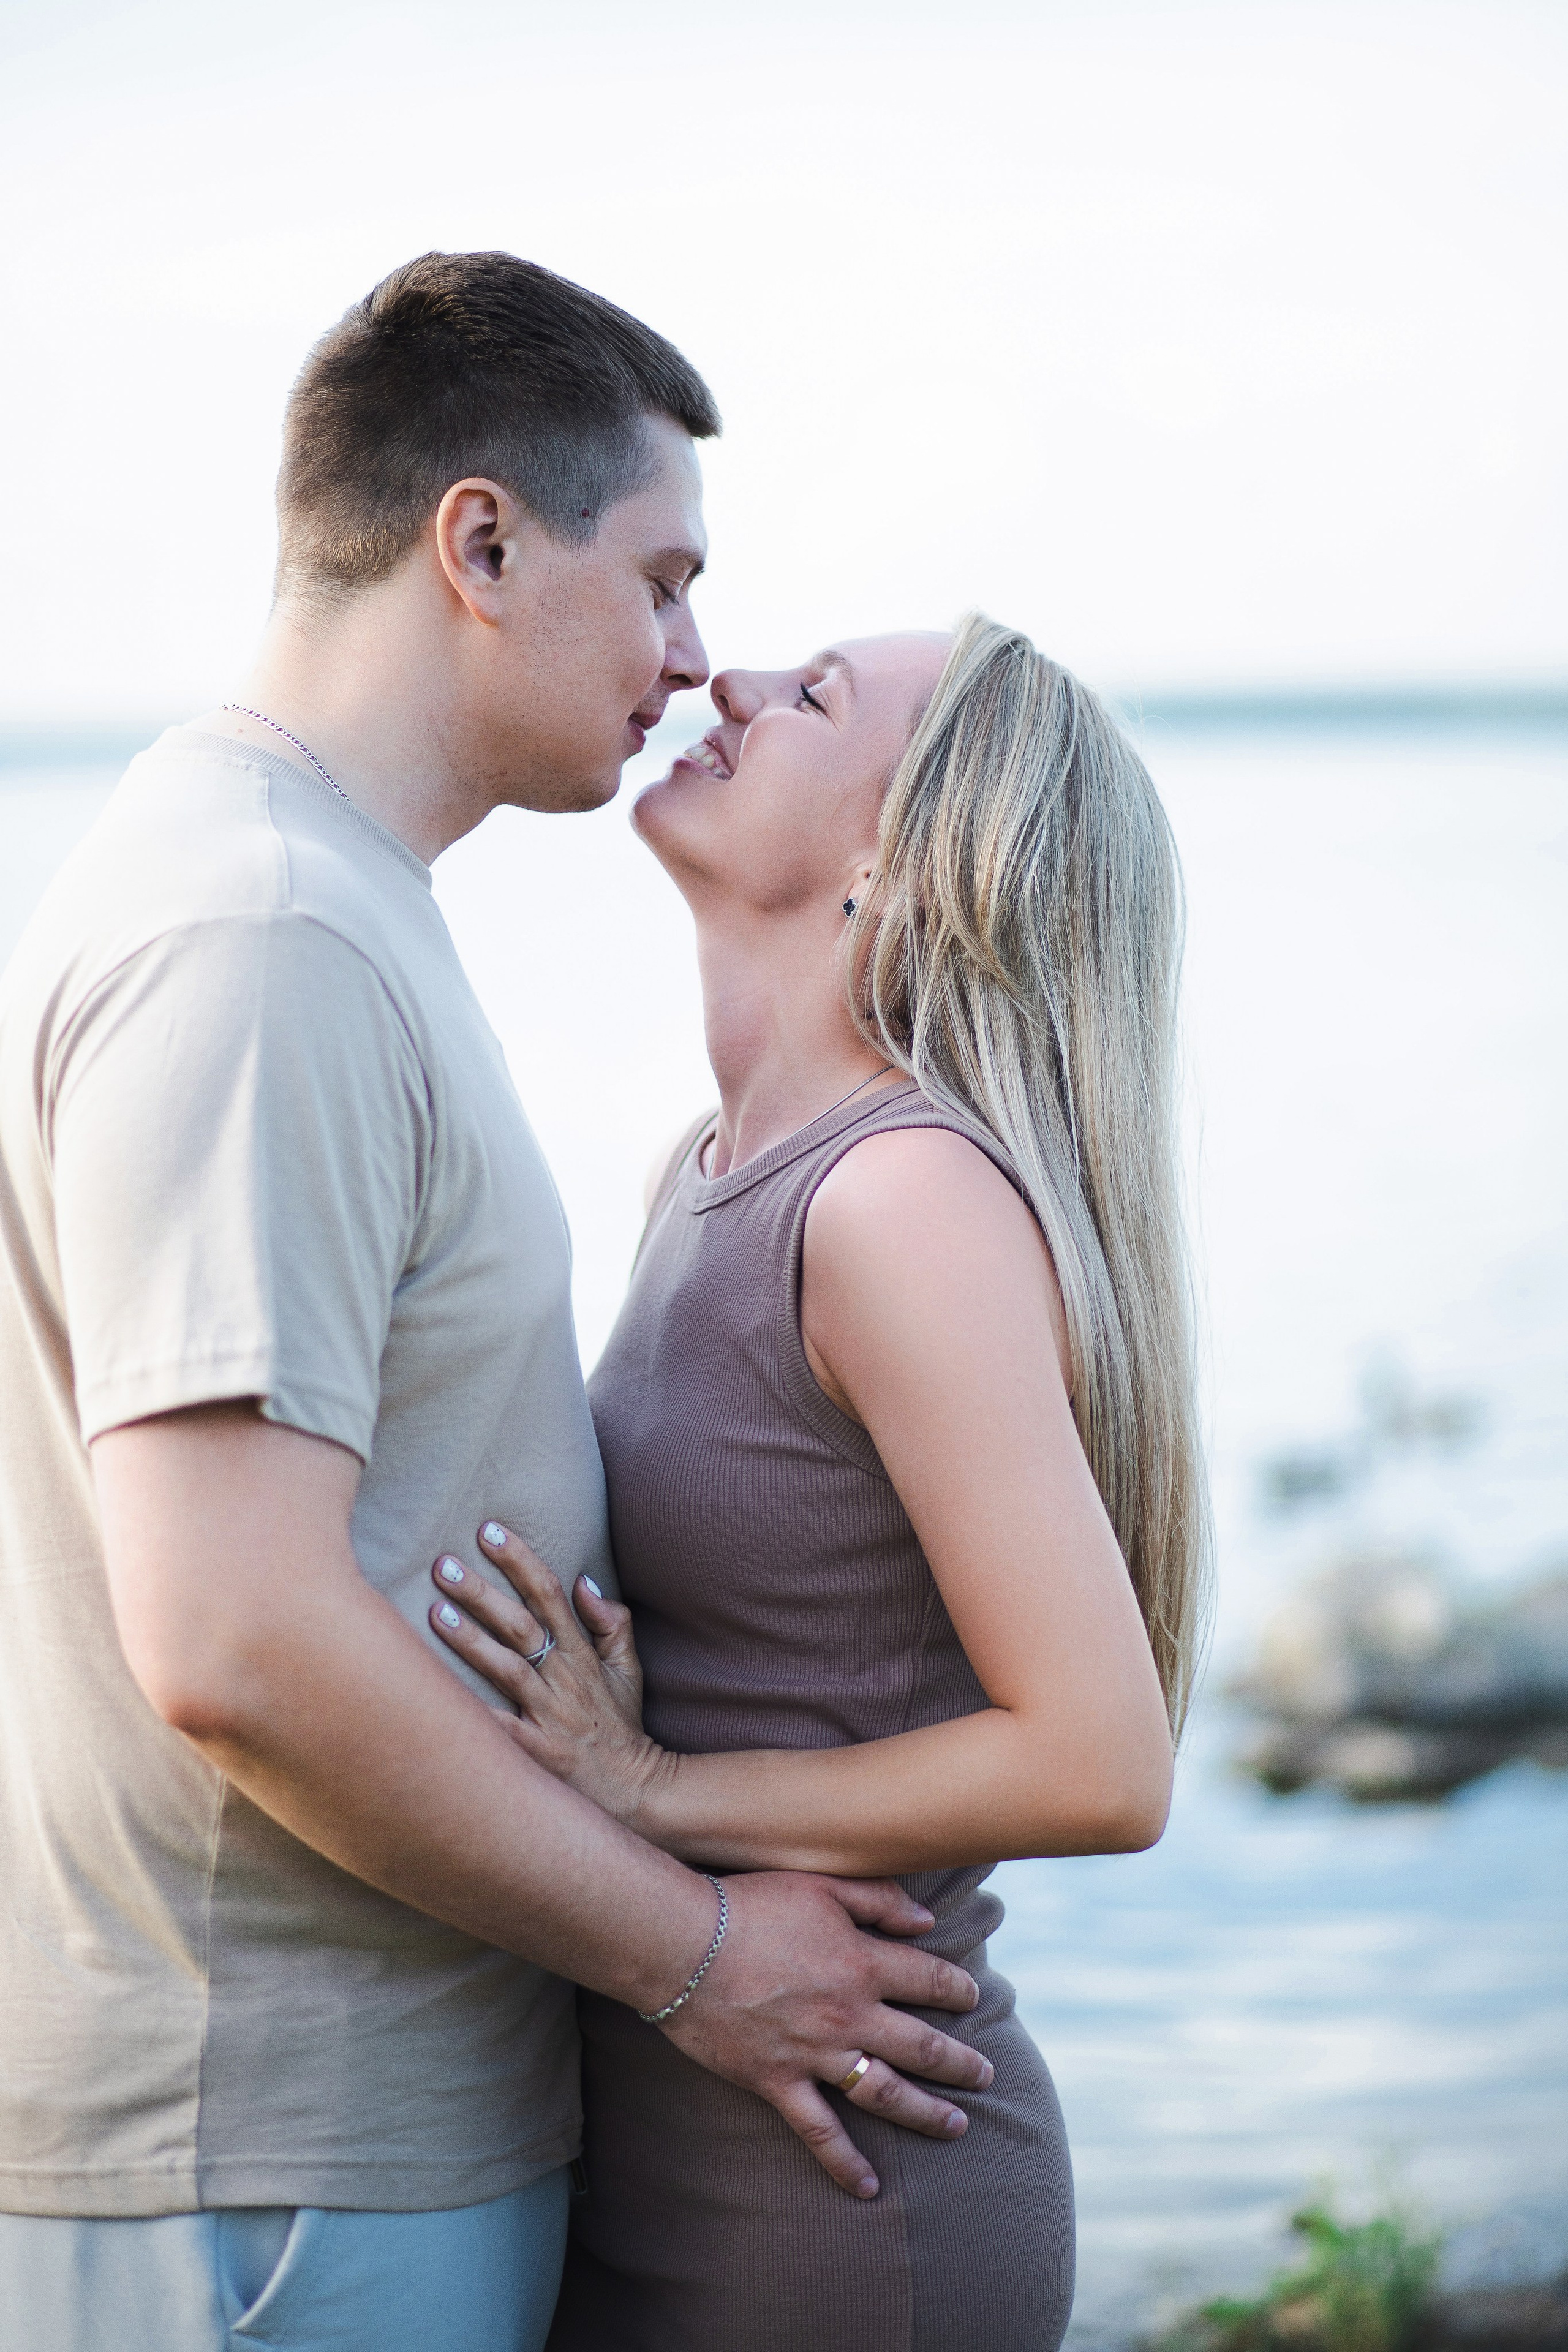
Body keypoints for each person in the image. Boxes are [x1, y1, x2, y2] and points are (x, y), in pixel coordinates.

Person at [0, 254, 992, 2352]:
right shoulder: (265, 936)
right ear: (478, 541)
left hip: (332, 2145)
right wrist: (697, 1955)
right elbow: (238, 1636)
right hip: (272, 2168)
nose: (694, 656)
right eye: (661, 576)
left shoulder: (322, 899)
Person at [413, 617, 1213, 2351]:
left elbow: (1101, 1756)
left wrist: (645, 1791)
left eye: (817, 697)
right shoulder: (704, 1174)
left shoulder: (898, 1203)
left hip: (853, 2188)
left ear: (898, 859)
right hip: (677, 2127)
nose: (734, 686)